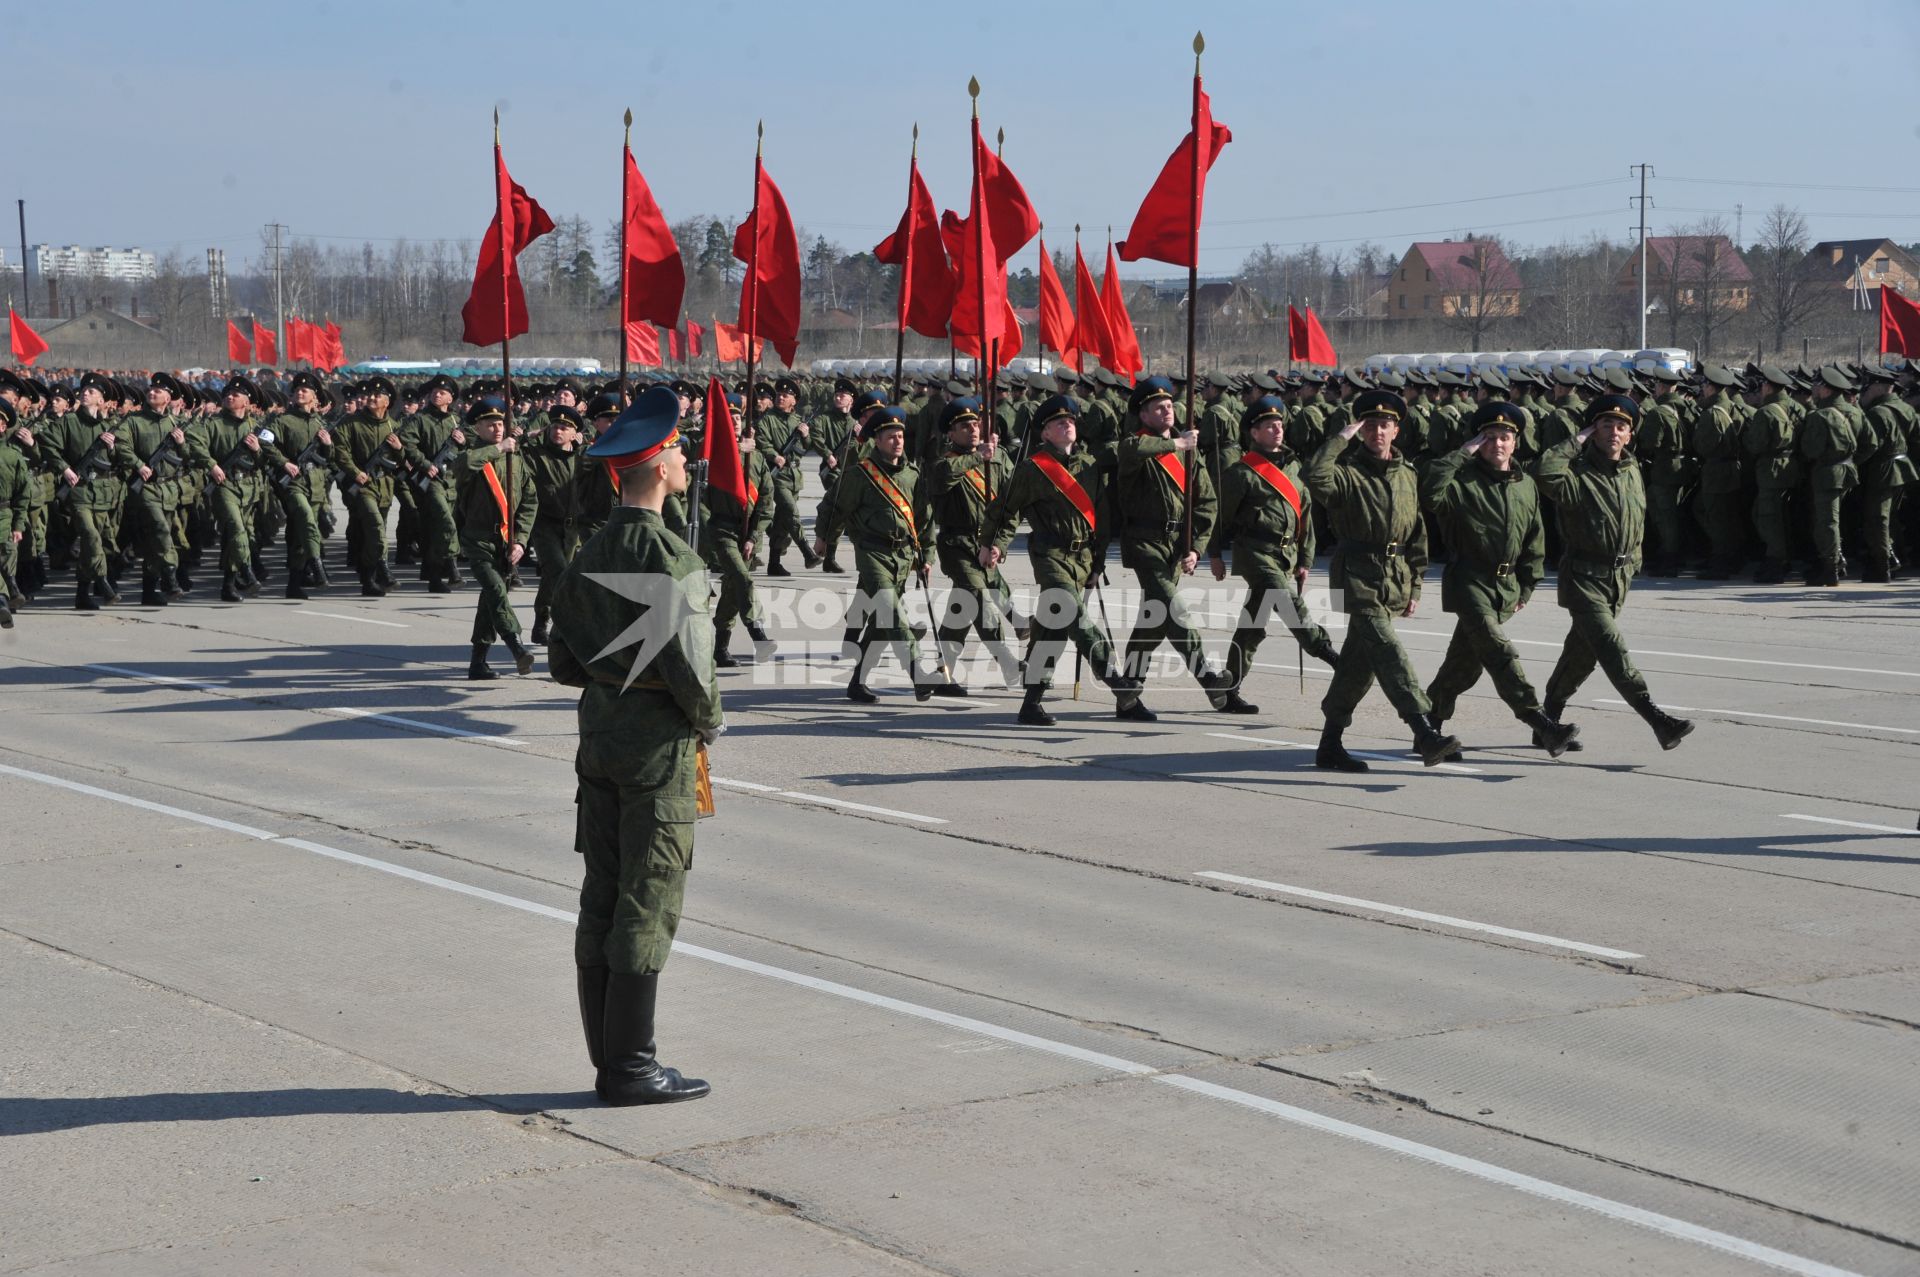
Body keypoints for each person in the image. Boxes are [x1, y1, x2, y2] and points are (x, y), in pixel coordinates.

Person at [548, 384, 717, 1106]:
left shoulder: (588, 552)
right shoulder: (672, 559)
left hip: (600, 742)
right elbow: (697, 681)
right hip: (656, 754)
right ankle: (631, 1067)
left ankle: (610, 1060)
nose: (684, 458)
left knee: (604, 898)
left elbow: (561, 663)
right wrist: (705, 719)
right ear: (656, 468)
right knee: (649, 900)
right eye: (678, 449)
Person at [1305, 389, 1460, 771]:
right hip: (1357, 577)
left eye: (1385, 425)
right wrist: (1340, 438)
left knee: (1357, 668)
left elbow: (1417, 532)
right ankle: (1424, 731)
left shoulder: (1407, 474)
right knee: (1390, 653)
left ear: (1396, 430)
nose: (1378, 431)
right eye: (1370, 425)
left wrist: (1417, 583)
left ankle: (1330, 745)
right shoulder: (1347, 475)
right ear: (1360, 431)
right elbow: (1314, 475)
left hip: (1393, 578)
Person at [1419, 402, 1579, 757]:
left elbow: (1535, 540)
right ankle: (1542, 724)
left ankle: (1427, 728)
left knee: (1462, 668)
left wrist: (1527, 584)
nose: (1497, 444)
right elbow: (1430, 492)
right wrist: (1461, 455)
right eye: (1489, 438)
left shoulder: (1526, 486)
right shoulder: (1463, 482)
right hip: (1468, 582)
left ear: (1516, 442)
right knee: (1499, 652)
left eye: (1504, 437)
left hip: (1504, 589)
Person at [1535, 395, 1694, 751]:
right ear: (1592, 431)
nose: (1614, 432)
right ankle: (1657, 720)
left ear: (1630, 435)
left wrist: (1632, 563)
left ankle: (1546, 723)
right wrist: (1576, 439)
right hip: (1583, 577)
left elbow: (1635, 524)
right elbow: (1544, 471)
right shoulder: (1577, 475)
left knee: (1581, 655)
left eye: (1621, 427)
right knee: (1611, 649)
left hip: (1617, 581)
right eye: (1605, 425)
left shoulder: (1632, 470)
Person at [980, 393, 1148, 726]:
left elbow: (1100, 517)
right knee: (1075, 615)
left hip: (1083, 558)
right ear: (1044, 434)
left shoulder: (1089, 465)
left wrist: (1097, 563)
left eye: (1070, 420)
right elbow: (1004, 510)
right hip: (1050, 555)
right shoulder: (1032, 469)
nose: (1066, 424)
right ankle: (1118, 683)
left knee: (1051, 630)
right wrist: (993, 543)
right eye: (1058, 422)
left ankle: (1031, 703)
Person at [1207, 395, 1340, 714]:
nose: (1277, 430)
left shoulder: (1294, 467)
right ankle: (1330, 655)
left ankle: (1228, 689)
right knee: (1288, 602)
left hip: (1285, 555)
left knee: (1252, 625)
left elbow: (1305, 516)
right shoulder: (1241, 472)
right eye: (1269, 426)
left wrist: (1305, 561)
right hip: (1255, 554)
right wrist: (1214, 553)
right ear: (1254, 433)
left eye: (1279, 424)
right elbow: (1219, 515)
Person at [812, 407, 950, 702]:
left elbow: (924, 520)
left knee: (879, 624)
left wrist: (926, 556)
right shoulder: (861, 475)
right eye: (891, 437)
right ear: (877, 440)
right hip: (872, 552)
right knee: (891, 611)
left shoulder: (912, 475)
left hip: (902, 557)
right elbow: (833, 507)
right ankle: (917, 673)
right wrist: (823, 538)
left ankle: (857, 682)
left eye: (900, 436)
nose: (898, 442)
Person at [1114, 376, 1233, 710]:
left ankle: (1129, 690)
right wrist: (1178, 445)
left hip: (1175, 545)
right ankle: (1207, 676)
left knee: (1155, 617)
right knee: (1173, 606)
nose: (1167, 411)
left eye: (1169, 405)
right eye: (1158, 407)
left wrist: (1196, 547)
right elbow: (1132, 450)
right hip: (1144, 542)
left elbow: (1206, 503)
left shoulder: (1187, 454)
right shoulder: (1136, 446)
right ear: (1144, 415)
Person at [925, 396, 1022, 688]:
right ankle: (1008, 663)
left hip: (987, 543)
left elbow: (1010, 506)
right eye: (964, 426)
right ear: (950, 433)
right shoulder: (945, 462)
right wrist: (979, 455)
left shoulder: (995, 459)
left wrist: (1000, 544)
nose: (972, 429)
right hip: (957, 545)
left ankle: (942, 673)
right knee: (980, 602)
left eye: (976, 423)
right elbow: (942, 479)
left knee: (961, 608)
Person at [450, 398, 538, 679]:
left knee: (489, 600)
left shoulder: (516, 460)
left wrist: (521, 540)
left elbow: (529, 501)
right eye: (490, 424)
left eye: (501, 423)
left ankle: (478, 662)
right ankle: (517, 647)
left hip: (506, 541)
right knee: (497, 593)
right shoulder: (472, 456)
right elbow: (462, 466)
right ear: (477, 427)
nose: (498, 428)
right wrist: (499, 448)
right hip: (477, 540)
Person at [702, 399, 774, 667]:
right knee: (742, 579)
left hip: (747, 532)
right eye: (729, 418)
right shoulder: (714, 454)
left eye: (738, 418)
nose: (734, 421)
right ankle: (759, 635)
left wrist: (753, 536)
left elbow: (767, 499)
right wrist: (734, 450)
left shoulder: (755, 458)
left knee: (733, 589)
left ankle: (720, 648)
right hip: (721, 529)